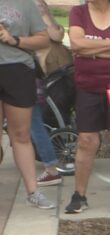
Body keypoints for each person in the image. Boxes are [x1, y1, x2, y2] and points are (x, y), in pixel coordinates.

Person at [65, 0, 110, 213]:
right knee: (86, 141)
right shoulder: (78, 12)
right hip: (87, 86)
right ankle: (79, 195)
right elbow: (77, 45)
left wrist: (92, 50)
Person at [0, 0, 55, 209]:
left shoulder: (25, 3)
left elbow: (44, 40)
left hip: (18, 70)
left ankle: (33, 192)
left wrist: (13, 39)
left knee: (21, 135)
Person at [31, 0, 67, 187]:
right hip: (35, 74)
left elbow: (57, 35)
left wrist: (44, 14)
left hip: (44, 73)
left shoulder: (39, 19)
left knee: (33, 121)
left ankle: (51, 167)